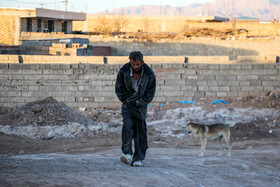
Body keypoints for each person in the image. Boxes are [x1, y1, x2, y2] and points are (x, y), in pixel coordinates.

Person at [115, 51, 156, 167]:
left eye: (137, 64)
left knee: (140, 131)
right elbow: (119, 88)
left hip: (140, 105)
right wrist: (126, 100)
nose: (135, 67)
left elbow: (150, 93)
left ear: (142, 62)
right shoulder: (124, 71)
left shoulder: (149, 74)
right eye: (133, 64)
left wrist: (141, 102)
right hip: (128, 103)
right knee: (127, 125)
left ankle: (138, 158)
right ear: (130, 62)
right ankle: (127, 153)